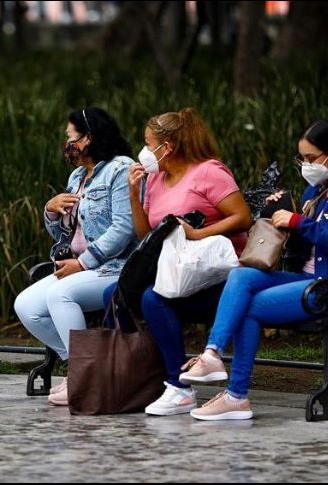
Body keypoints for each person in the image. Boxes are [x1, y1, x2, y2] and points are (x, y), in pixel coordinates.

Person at [180, 119, 328, 420]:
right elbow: (302, 249)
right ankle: (212, 354)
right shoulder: (313, 192)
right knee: (241, 274)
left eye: (311, 159)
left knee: (249, 307)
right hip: (308, 278)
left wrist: (298, 222)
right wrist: (277, 213)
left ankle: (236, 395)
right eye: (301, 159)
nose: (306, 165)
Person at [102, 108, 252, 416]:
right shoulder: (156, 178)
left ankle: (178, 387)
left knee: (152, 299)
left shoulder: (209, 172)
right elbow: (146, 234)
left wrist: (198, 234)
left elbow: (242, 218)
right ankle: (130, 377)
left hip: (214, 274)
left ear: (167, 147)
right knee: (114, 296)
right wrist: (134, 193)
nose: (143, 150)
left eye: (147, 142)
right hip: (175, 270)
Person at [14, 106, 137, 406]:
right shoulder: (78, 175)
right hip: (78, 266)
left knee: (60, 295)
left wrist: (83, 262)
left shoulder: (120, 169)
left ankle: (80, 375)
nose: (67, 144)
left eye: (71, 137)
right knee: (26, 305)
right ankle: (87, 368)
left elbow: (124, 228)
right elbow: (64, 236)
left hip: (113, 267)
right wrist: (50, 210)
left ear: (89, 138)